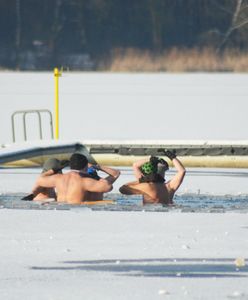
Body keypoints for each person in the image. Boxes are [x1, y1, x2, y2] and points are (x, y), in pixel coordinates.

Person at [31, 153, 120, 205]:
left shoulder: (58, 178)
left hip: (59, 209)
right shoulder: (85, 182)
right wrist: (96, 171)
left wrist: (54, 169)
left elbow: (40, 180)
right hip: (77, 210)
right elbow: (108, 186)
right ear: (85, 166)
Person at [119, 150, 186, 205]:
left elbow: (122, 189)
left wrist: (149, 159)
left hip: (150, 211)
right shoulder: (169, 186)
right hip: (167, 209)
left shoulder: (146, 186)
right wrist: (172, 157)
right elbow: (182, 171)